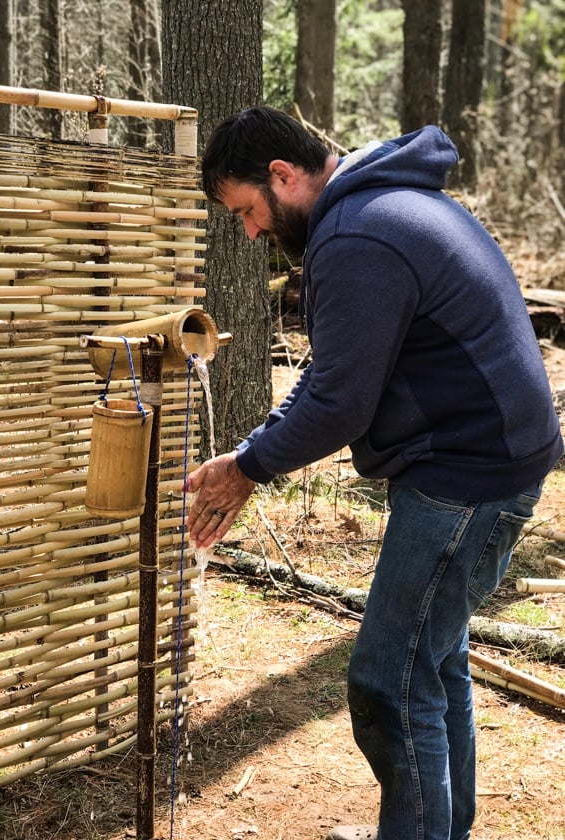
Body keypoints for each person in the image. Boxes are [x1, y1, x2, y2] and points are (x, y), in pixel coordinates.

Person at [185, 106, 563, 840]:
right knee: (436, 659)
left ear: (283, 176)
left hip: (468, 478)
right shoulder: (384, 204)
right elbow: (338, 372)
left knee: (387, 681)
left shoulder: (358, 234)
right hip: (488, 462)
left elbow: (341, 403)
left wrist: (248, 469)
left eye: (248, 212)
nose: (251, 234)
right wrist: (257, 445)